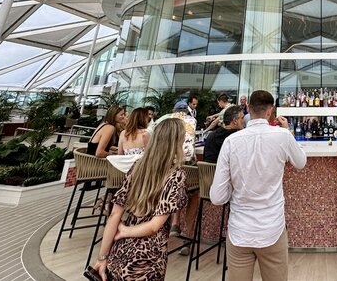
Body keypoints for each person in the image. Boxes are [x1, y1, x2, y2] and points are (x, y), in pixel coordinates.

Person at [210, 90, 306, 281]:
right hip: (272, 229)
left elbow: (217, 197)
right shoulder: (283, 136)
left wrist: (233, 188)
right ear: (270, 111)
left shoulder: (231, 141)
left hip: (239, 230)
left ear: (248, 108)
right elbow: (300, 162)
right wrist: (287, 131)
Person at [92, 118, 188, 281]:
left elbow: (115, 214)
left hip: (119, 253)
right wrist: (125, 231)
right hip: (148, 258)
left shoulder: (138, 166)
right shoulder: (176, 175)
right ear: (178, 141)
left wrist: (102, 257)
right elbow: (154, 226)